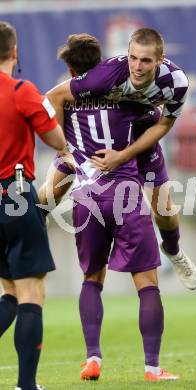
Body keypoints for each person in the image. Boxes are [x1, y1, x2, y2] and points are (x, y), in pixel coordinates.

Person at [41, 33, 179, 382]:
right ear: (102, 63)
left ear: (73, 71)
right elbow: (158, 121)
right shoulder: (130, 98)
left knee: (91, 278)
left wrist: (63, 155)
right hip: (125, 193)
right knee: (147, 281)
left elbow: (50, 108)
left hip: (86, 197)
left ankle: (92, 358)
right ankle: (151, 367)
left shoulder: (69, 99)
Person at [47, 28, 196, 290]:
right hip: (96, 149)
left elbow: (165, 124)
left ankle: (174, 251)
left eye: (146, 60)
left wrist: (125, 155)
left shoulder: (176, 83)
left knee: (164, 210)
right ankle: (21, 234)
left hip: (140, 143)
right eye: (133, 58)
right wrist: (63, 149)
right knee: (49, 192)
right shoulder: (103, 78)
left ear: (160, 60)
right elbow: (54, 97)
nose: (138, 67)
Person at [0, 21, 66, 390]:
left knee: (9, 292)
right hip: (14, 195)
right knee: (30, 293)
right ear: (14, 52)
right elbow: (56, 139)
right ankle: (26, 385)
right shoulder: (22, 91)